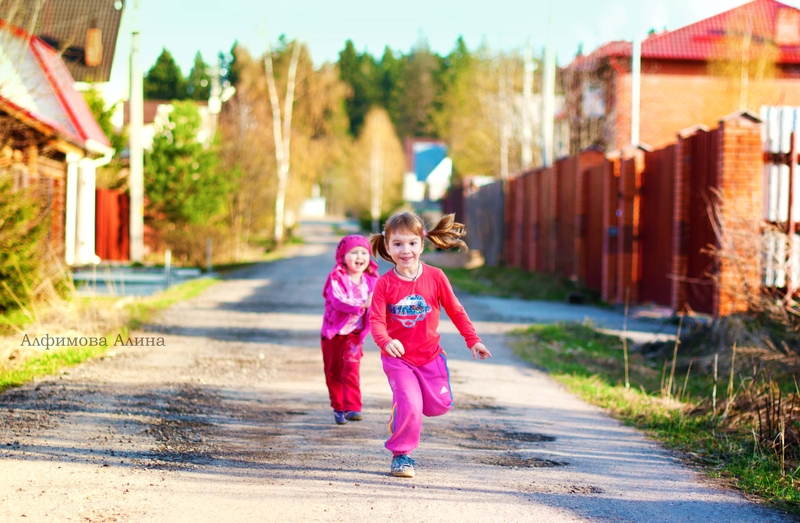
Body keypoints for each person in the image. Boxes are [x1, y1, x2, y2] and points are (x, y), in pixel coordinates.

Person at [369, 212, 491, 478]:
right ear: (387, 247)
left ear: (422, 244)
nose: (405, 250)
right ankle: (402, 456)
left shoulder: (435, 277)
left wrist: (473, 340)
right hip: (398, 359)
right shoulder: (384, 284)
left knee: (439, 406)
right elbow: (376, 320)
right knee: (411, 403)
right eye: (398, 244)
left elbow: (456, 310)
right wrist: (385, 341)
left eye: (412, 243)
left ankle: (405, 410)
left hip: (430, 357)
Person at [321, 234, 379, 425]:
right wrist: (363, 304)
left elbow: (382, 300)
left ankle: (353, 407)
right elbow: (339, 301)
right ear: (343, 256)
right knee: (334, 371)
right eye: (354, 252)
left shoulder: (371, 281)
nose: (359, 256)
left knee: (351, 366)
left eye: (364, 252)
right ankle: (338, 407)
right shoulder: (336, 278)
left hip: (354, 333)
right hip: (333, 333)